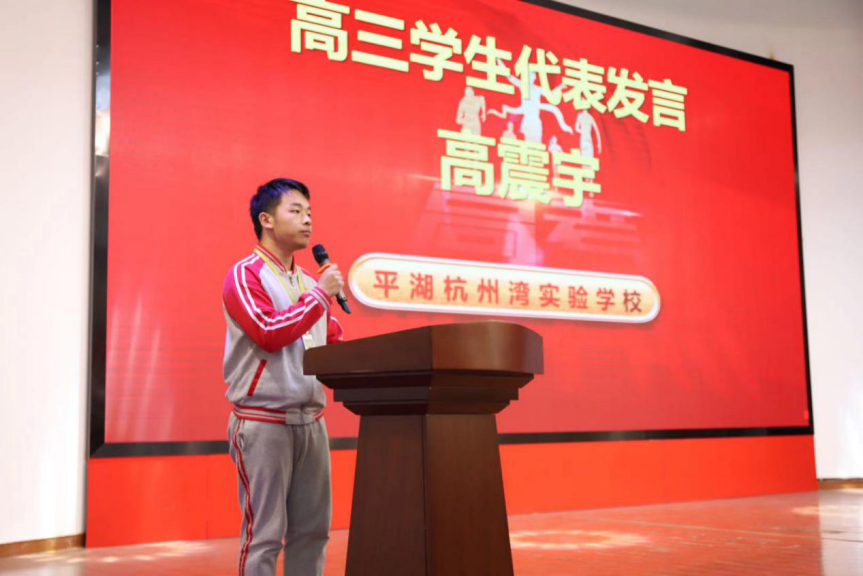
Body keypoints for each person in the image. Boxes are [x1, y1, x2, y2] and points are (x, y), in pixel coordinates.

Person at [222, 178, 345, 576]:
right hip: (263, 422)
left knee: (313, 532)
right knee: (265, 536)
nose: (308, 220)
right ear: (266, 220)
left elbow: (332, 343)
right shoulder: (245, 275)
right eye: (296, 211)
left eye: (310, 213)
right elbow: (269, 332)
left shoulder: (310, 281)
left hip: (312, 422)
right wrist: (321, 296)